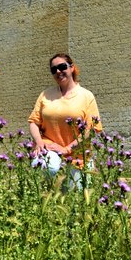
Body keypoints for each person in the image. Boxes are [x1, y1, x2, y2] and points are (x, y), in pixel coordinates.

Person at [28, 53, 101, 188]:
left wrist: (66, 149)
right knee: (48, 170)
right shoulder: (45, 94)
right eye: (53, 69)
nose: (58, 72)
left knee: (77, 198)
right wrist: (38, 142)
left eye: (62, 67)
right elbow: (33, 121)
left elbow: (90, 130)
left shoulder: (86, 96)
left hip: (78, 156)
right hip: (48, 149)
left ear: (72, 68)